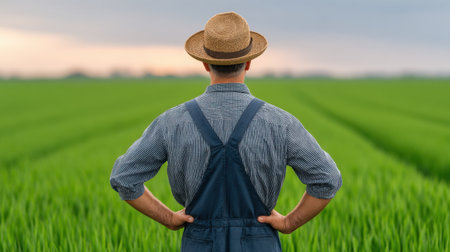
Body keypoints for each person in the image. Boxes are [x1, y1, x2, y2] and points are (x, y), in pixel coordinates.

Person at [110, 11, 342, 251]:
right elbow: (327, 179)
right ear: (249, 62)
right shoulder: (280, 123)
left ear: (205, 64)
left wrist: (169, 218)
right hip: (259, 241)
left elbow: (124, 178)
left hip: (199, 240)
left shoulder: (172, 122)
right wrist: (289, 222)